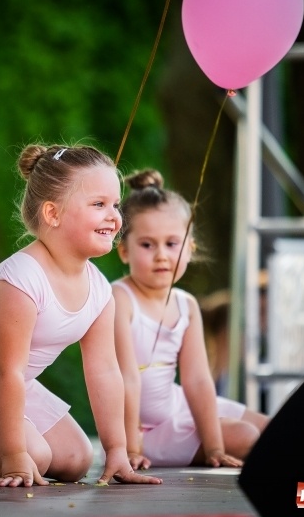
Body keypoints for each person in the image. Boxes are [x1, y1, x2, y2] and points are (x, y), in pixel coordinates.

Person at [0, 143, 162, 487]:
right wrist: (14, 457)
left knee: (75, 460)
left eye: (115, 204)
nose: (114, 216)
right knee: (35, 457)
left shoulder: (101, 291)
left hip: (10, 385)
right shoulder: (23, 277)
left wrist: (117, 449)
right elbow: (8, 369)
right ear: (52, 214)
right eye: (98, 204)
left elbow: (103, 370)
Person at [112, 168, 268, 470]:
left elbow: (197, 379)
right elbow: (125, 379)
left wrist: (214, 447)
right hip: (143, 431)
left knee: (273, 428)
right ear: (124, 251)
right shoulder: (120, 299)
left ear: (190, 249)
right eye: (147, 244)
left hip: (176, 406)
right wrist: (130, 447)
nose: (161, 255)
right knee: (247, 436)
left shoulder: (187, 305)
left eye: (172, 244)